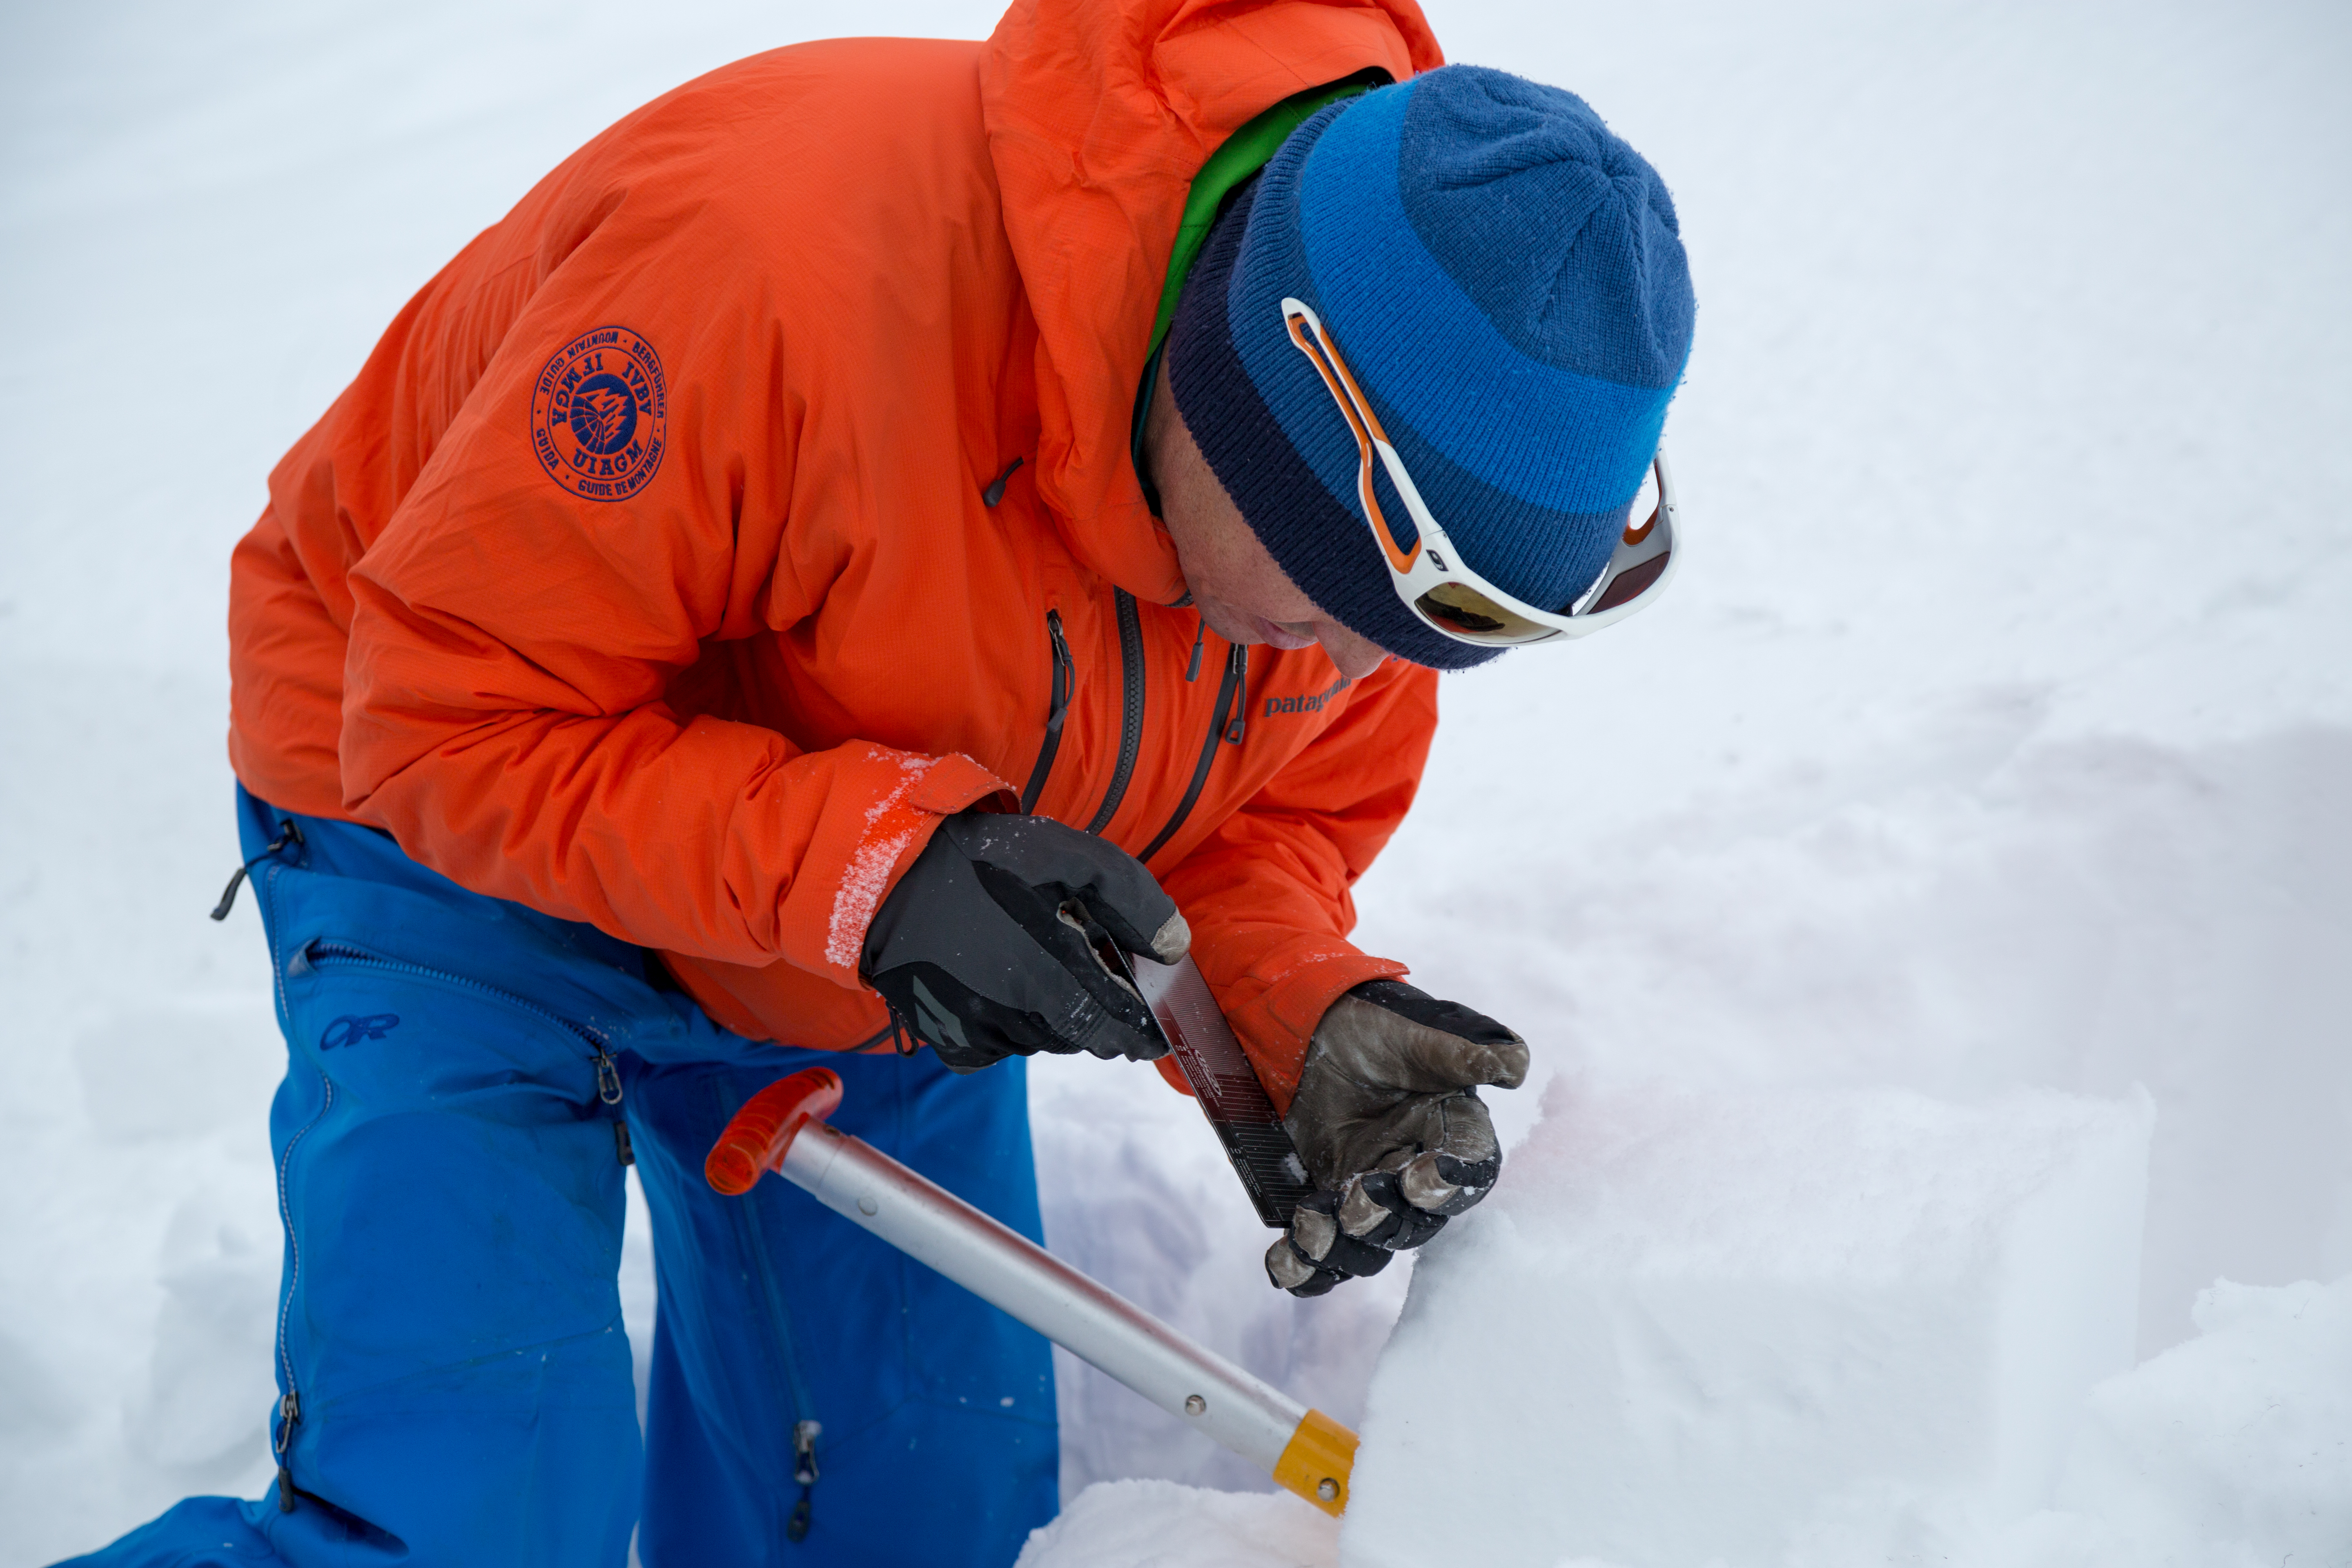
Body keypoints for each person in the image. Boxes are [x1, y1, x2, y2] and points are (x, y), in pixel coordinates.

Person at [60, 0, 1692, 1562]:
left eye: (1419, 636)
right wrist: (875, 875)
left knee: (912, 1519)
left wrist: (1289, 1010)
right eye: (1333, 604)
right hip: (451, 816)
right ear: (1257, 405)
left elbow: (1254, 819)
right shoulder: (770, 273)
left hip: (897, 899)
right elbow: (437, 720)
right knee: (470, 1523)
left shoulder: (1350, 579)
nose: (1348, 670)